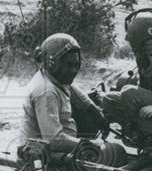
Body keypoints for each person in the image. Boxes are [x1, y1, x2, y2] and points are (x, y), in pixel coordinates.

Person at [18, 33, 122, 163]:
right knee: (115, 153)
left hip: (56, 145)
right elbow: (54, 140)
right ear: (53, 63)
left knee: (91, 116)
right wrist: (91, 145)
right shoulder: (46, 92)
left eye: (76, 65)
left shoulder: (55, 78)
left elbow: (77, 94)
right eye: (69, 65)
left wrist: (97, 113)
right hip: (42, 154)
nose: (73, 70)